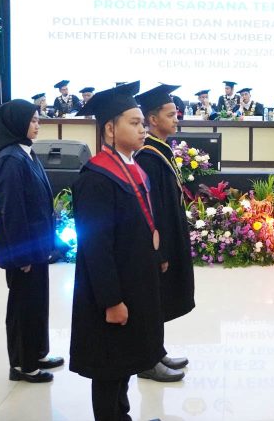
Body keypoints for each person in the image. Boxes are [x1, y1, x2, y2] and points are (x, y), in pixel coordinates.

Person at [70, 82, 166, 421]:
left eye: (143, 123)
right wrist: (111, 300)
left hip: (134, 283)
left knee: (124, 360)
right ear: (110, 128)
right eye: (135, 123)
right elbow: (96, 247)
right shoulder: (96, 178)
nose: (143, 129)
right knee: (109, 366)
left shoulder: (132, 167)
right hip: (111, 292)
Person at [0, 100, 64, 384]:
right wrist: (22, 255)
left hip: (37, 246)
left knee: (37, 302)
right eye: (32, 120)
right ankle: (21, 364)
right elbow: (12, 210)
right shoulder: (10, 158)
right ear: (17, 123)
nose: (37, 124)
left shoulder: (25, 153)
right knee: (22, 306)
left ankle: (37, 352)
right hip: (25, 250)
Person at [135, 84, 196, 383]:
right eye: (170, 114)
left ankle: (156, 352)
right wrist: (159, 248)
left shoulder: (162, 150)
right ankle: (148, 359)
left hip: (169, 236)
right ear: (153, 119)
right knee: (152, 298)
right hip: (158, 241)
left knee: (159, 298)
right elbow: (152, 209)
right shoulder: (148, 156)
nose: (176, 119)